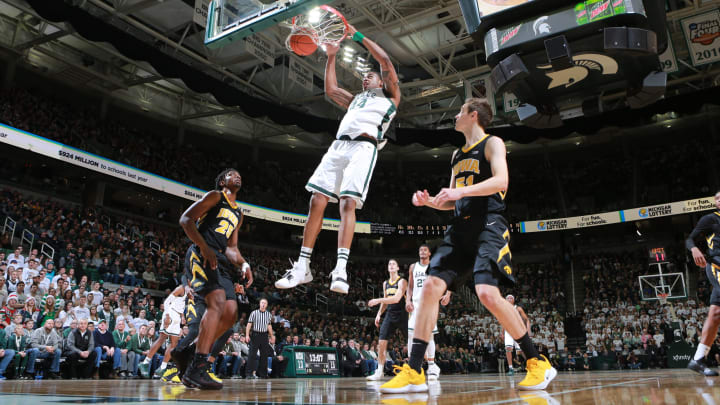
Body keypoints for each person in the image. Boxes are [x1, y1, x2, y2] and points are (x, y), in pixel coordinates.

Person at [381, 98, 556, 394]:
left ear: (473, 115)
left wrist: (458, 191)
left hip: (489, 223)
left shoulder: (492, 143)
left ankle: (538, 362)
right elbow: (452, 201)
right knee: (430, 288)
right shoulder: (456, 155)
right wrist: (431, 201)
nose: (456, 115)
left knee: (486, 293)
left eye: (460, 111)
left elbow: (501, 181)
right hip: (460, 228)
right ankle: (413, 371)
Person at [275, 23, 401, 295]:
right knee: (317, 200)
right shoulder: (356, 99)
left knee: (347, 203)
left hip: (364, 148)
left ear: (381, 81)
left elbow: (386, 61)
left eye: (371, 76)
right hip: (338, 147)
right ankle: (303, 265)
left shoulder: (390, 96)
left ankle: (340, 269)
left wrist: (357, 35)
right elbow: (331, 90)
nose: (366, 79)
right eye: (364, 77)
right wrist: (332, 55)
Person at [179, 169, 249, 389]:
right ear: (222, 181)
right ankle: (198, 368)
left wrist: (244, 263)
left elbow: (232, 248)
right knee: (218, 303)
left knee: (230, 316)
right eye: (231, 174)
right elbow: (186, 220)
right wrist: (203, 246)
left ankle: (190, 353)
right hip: (201, 254)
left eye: (239, 174)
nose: (237, 176)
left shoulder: (239, 213)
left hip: (220, 258)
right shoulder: (215, 196)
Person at [405, 244, 452, 381]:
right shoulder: (413, 267)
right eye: (420, 250)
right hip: (416, 305)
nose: (422, 252)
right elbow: (410, 286)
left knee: (429, 336)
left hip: (430, 303)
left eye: (425, 250)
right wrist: (408, 300)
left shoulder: (436, 266)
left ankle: (432, 366)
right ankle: (412, 366)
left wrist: (448, 294)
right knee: (410, 334)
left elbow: (448, 279)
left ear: (430, 253)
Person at [686, 191, 720, 376]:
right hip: (717, 265)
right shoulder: (710, 219)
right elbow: (690, 239)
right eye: (718, 198)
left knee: (715, 314)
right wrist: (694, 249)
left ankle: (698, 359)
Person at [367, 259, 407, 381]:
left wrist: (377, 300)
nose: (391, 265)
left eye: (394, 264)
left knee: (413, 344)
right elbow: (385, 301)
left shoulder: (402, 281)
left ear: (398, 268)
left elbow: (396, 299)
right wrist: (379, 314)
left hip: (403, 314)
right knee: (381, 343)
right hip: (390, 314)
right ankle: (379, 371)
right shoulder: (385, 283)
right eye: (389, 264)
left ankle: (430, 365)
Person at [138, 285, 186, 379]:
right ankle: (145, 363)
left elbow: (180, 304)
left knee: (174, 343)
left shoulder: (191, 291)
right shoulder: (181, 288)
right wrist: (167, 316)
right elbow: (167, 301)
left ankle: (163, 367)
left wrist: (182, 316)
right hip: (170, 313)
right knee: (161, 339)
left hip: (177, 316)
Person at [245, 298, 274, 379]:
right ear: (259, 304)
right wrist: (247, 335)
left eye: (265, 303)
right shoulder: (254, 313)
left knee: (264, 356)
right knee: (252, 355)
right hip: (255, 334)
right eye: (262, 302)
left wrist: (272, 336)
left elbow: (269, 325)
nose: (263, 304)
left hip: (264, 335)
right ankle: (248, 373)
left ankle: (263, 374)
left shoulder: (268, 314)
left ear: (267, 305)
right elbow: (249, 324)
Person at [502, 295, 530, 376]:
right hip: (508, 331)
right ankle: (511, 368)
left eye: (511, 298)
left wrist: (528, 331)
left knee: (521, 350)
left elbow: (526, 319)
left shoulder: (518, 308)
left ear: (514, 300)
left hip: (518, 330)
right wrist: (502, 332)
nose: (509, 299)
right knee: (508, 348)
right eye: (508, 298)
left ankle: (531, 365)